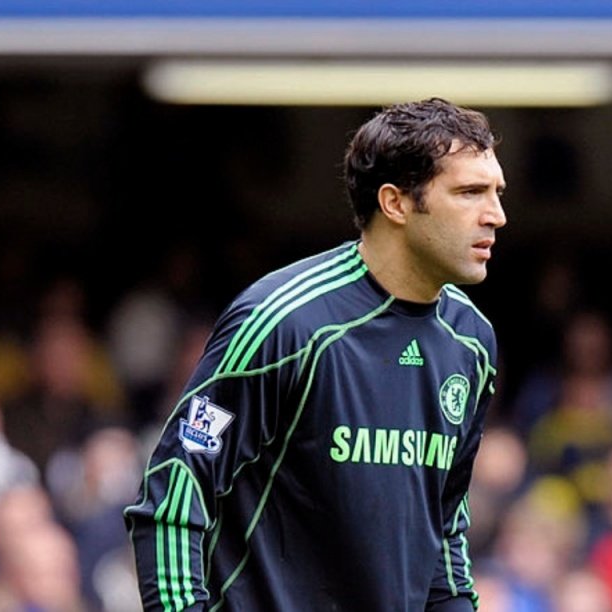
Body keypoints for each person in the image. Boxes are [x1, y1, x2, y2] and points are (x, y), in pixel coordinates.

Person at [124, 97, 508, 611]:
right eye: (470, 193)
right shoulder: (284, 323)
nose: (497, 216)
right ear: (395, 203)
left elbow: (443, 529)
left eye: (496, 193)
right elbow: (174, 491)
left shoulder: (471, 341)